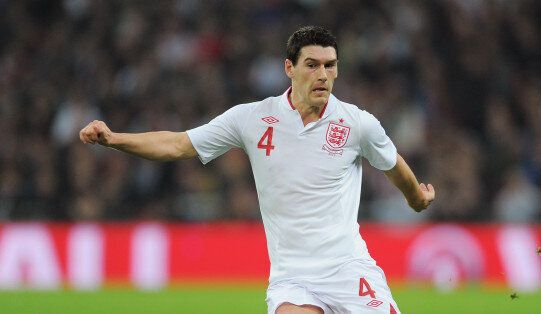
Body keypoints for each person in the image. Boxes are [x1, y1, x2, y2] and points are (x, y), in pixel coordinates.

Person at [79, 26, 435, 314]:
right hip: (292, 279)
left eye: (330, 65)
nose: (323, 75)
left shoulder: (358, 124)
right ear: (289, 68)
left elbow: (393, 165)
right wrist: (113, 139)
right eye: (312, 64)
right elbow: (177, 144)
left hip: (348, 268)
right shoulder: (251, 118)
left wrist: (416, 196)